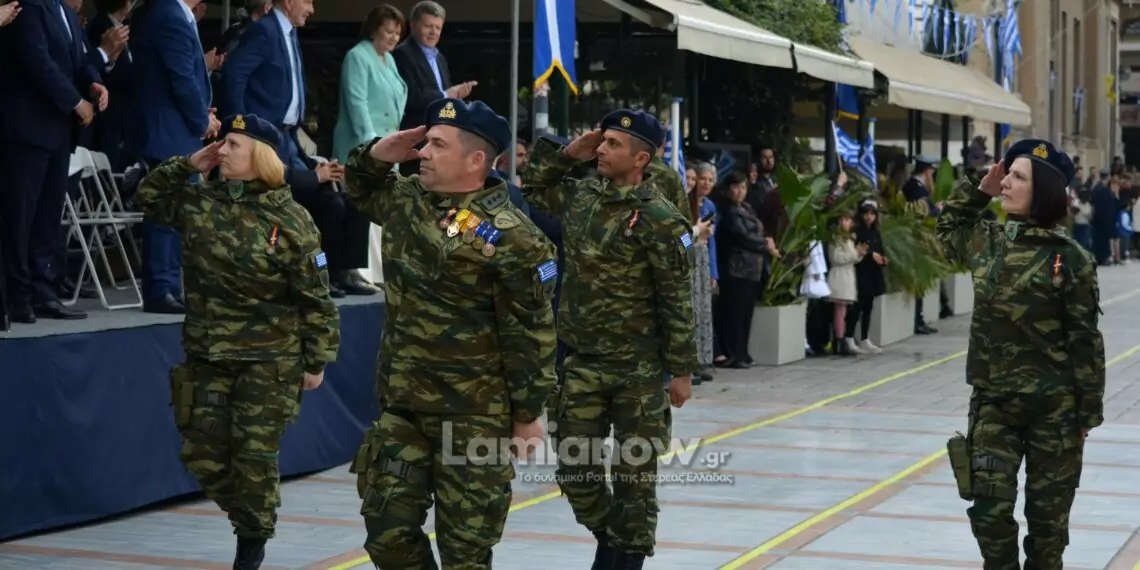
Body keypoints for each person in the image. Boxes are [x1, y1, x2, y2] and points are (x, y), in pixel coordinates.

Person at [343, 98, 557, 570]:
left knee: (465, 555)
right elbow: (358, 187)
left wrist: (528, 415)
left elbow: (530, 334)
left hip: (474, 416)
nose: (423, 152)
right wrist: (379, 153)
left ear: (476, 159)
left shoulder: (516, 238)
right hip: (403, 407)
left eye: (438, 145)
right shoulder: (407, 201)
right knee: (387, 535)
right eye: (426, 143)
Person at [135, 114, 341, 570]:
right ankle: (252, 518)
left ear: (260, 158)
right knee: (202, 455)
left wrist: (317, 359)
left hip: (268, 361)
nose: (222, 150)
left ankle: (251, 538)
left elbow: (315, 297)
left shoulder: (291, 219)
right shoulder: (200, 203)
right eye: (222, 143)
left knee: (253, 457)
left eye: (233, 145)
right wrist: (188, 164)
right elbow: (148, 197)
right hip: (208, 355)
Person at [523, 109, 698, 570]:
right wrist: (568, 153)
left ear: (641, 159)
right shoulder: (583, 198)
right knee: (575, 471)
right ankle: (616, 540)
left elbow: (677, 301)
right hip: (581, 364)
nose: (601, 149)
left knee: (634, 480)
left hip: (638, 370)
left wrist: (681, 371)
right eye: (602, 141)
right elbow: (534, 188)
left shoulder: (661, 219)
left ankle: (621, 558)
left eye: (613, 144)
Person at [938, 139, 1104, 570]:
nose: (1006, 182)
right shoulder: (989, 242)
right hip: (994, 404)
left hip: (1055, 410)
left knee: (1048, 532)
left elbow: (1085, 342)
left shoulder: (1072, 259)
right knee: (988, 514)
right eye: (1007, 174)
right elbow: (946, 232)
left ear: (1043, 190)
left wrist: (1086, 415)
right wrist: (980, 189)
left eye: (1018, 177)